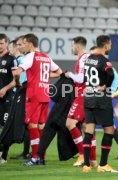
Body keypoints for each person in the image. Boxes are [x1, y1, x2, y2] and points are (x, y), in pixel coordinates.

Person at [13, 33, 62, 166]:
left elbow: (17, 72)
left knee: (32, 126)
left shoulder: (29, 56)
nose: (21, 47)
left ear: (29, 44)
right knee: (41, 127)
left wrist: (17, 82)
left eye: (22, 44)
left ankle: (35, 157)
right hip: (45, 94)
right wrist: (44, 77)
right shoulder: (46, 57)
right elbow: (59, 72)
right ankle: (42, 158)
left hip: (33, 94)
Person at [82, 35, 118, 173]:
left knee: (89, 130)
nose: (110, 47)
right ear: (105, 45)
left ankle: (86, 165)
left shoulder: (89, 58)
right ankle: (103, 164)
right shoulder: (104, 61)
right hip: (101, 98)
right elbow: (111, 75)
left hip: (88, 97)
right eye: (110, 45)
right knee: (109, 130)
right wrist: (105, 86)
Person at [65, 37, 96, 167]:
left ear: (77, 46)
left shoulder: (83, 58)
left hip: (83, 96)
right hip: (89, 95)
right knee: (86, 127)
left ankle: (83, 155)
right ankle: (93, 160)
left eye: (72, 46)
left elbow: (81, 78)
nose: (72, 48)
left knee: (70, 123)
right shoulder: (88, 58)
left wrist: (70, 75)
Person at [91, 45, 118, 160]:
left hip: (102, 98)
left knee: (102, 125)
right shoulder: (93, 64)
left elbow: (116, 78)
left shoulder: (103, 64)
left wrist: (110, 92)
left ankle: (89, 154)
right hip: (95, 97)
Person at [8, 37, 31, 160]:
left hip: (22, 93)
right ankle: (26, 151)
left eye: (12, 47)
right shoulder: (17, 60)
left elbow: (22, 79)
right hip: (20, 93)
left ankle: (26, 152)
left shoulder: (21, 60)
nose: (10, 49)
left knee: (25, 123)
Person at [0, 34, 18, 164]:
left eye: (1, 43)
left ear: (6, 43)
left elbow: (15, 81)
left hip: (7, 98)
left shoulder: (11, 59)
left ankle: (3, 156)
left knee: (5, 127)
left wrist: (5, 88)